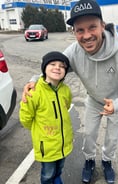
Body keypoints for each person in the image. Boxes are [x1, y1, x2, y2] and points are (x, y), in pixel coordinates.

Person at [22, 0, 118, 183]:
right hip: (94, 101)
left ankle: (107, 161)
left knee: (112, 138)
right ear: (74, 32)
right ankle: (89, 161)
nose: (86, 35)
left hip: (116, 101)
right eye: (80, 30)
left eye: (92, 27)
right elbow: (54, 68)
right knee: (89, 135)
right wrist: (33, 81)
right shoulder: (73, 52)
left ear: (103, 26)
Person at [19, 51, 73, 184]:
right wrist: (39, 130)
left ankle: (57, 178)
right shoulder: (35, 92)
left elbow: (66, 105)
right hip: (46, 145)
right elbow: (25, 118)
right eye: (53, 64)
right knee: (47, 173)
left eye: (62, 66)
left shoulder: (65, 90)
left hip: (63, 142)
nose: (57, 68)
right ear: (44, 68)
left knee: (59, 167)